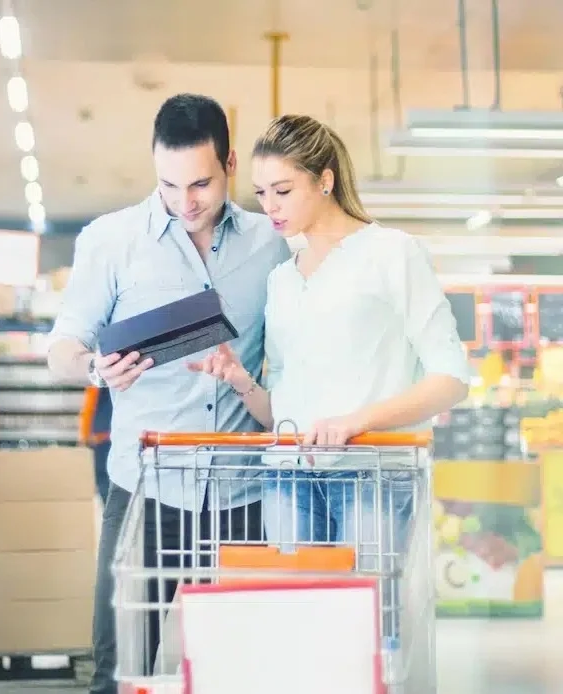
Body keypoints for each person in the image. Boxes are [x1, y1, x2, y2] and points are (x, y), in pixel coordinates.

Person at [47, 94, 291, 694]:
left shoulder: (273, 243)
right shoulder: (111, 241)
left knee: (242, 671)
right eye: (169, 185)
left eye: (201, 184)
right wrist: (96, 369)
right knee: (118, 665)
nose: (185, 203)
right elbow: (62, 349)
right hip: (144, 493)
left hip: (244, 495)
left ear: (231, 164)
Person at [188, 113, 470, 632]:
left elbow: (451, 378)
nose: (269, 207)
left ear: (325, 179)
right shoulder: (281, 279)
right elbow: (284, 408)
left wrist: (354, 420)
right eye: (261, 193)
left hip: (372, 473)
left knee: (370, 638)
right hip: (287, 475)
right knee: (302, 635)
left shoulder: (391, 253)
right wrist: (240, 381)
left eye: (283, 190)